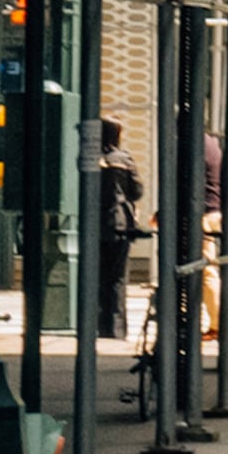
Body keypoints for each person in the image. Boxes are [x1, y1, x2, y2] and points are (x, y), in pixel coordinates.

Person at [94, 117, 148, 337]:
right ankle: (116, 329)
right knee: (117, 277)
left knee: (98, 276)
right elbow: (137, 191)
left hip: (95, 223)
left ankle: (98, 326)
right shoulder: (124, 159)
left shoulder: (92, 158)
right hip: (120, 222)